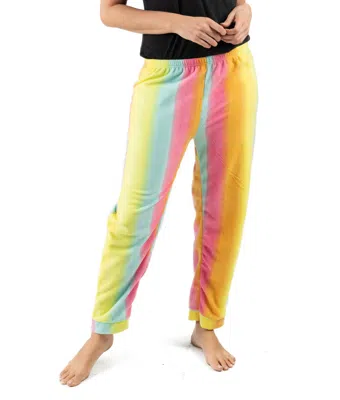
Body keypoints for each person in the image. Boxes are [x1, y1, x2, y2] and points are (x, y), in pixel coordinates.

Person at [60, 0, 258, 387]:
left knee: (226, 207)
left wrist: (245, 9)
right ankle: (103, 331)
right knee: (135, 212)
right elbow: (110, 12)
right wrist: (177, 24)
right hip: (167, 77)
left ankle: (207, 323)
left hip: (235, 71)